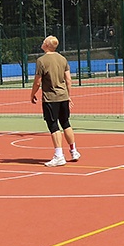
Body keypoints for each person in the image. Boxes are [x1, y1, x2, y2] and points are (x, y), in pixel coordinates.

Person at [30, 35, 80, 167]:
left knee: (53, 125)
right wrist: (69, 95)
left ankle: (59, 155)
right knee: (66, 123)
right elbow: (68, 80)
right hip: (63, 96)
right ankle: (73, 150)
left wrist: (32, 94)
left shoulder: (41, 61)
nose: (42, 43)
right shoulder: (62, 59)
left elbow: (37, 82)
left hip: (50, 98)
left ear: (47, 45)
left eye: (43, 41)